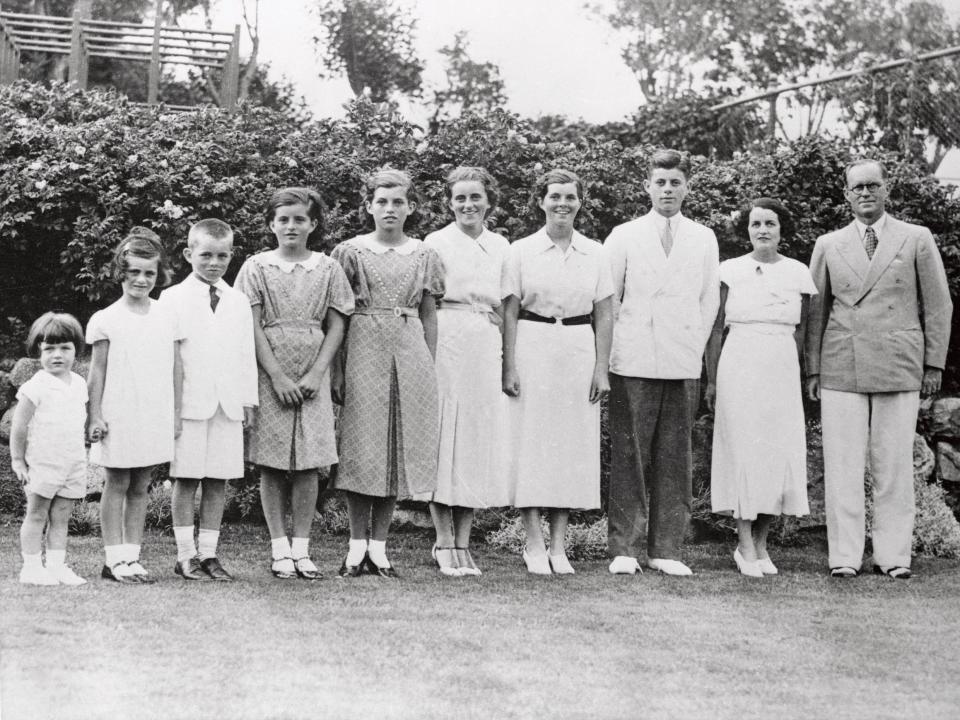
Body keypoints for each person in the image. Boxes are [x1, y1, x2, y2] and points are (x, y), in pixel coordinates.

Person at [806, 159, 952, 580]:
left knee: (893, 466)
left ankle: (893, 556)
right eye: (858, 187)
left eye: (873, 186)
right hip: (842, 364)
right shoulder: (828, 244)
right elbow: (816, 312)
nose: (866, 194)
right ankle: (845, 557)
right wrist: (813, 370)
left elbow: (939, 304)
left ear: (887, 190)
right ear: (846, 194)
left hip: (898, 363)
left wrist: (933, 363)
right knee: (843, 465)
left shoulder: (916, 238)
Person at [604, 149, 720, 576]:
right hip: (633, 359)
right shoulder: (624, 234)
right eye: (660, 182)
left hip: (681, 360)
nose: (667, 190)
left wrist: (692, 347)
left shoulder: (703, 237)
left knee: (675, 457)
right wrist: (621, 346)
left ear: (687, 187)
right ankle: (624, 548)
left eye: (675, 183)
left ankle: (666, 550)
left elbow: (709, 300)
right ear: (647, 187)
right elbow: (609, 300)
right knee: (630, 455)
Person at [234, 188, 353, 581]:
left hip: (312, 369)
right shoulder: (255, 267)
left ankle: (302, 548)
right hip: (272, 369)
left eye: (299, 219)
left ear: (313, 224)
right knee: (271, 465)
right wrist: (277, 375)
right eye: (283, 219)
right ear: (271, 224)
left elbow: (337, 322)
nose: (291, 226)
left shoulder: (328, 268)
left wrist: (319, 372)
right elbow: (248, 324)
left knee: (308, 465)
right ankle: (279, 549)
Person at [331, 168, 444, 579]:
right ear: (369, 206)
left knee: (397, 447)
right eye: (382, 201)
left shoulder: (424, 254)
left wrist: (426, 364)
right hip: (363, 346)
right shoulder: (350, 252)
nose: (390, 209)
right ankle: (355, 544)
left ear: (410, 207)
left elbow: (430, 313)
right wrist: (337, 369)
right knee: (362, 446)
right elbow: (338, 314)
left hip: (409, 350)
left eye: (398, 202)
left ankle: (379, 548)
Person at [501, 168, 614, 575]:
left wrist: (601, 368)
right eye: (554, 196)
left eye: (570, 196)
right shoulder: (520, 250)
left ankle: (559, 547)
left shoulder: (597, 253)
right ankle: (533, 542)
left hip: (578, 349)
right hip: (533, 344)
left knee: (570, 446)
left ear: (580, 202)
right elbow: (510, 310)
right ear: (541, 201)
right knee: (532, 443)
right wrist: (509, 364)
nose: (562, 203)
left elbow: (604, 312)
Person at [705, 198, 816, 577]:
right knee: (744, 452)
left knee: (776, 453)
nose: (763, 230)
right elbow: (716, 328)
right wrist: (712, 379)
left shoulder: (799, 272)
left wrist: (799, 374)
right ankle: (744, 544)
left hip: (781, 367)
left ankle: (763, 544)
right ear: (747, 229)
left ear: (782, 229)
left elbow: (803, 332)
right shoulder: (729, 270)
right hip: (739, 365)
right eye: (756, 224)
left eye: (770, 223)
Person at [420, 166, 510, 577]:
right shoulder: (435, 242)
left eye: (475, 197)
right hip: (447, 337)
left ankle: (463, 542)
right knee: (445, 435)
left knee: (474, 437)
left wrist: (508, 360)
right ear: (450, 202)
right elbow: (426, 302)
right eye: (460, 198)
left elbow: (508, 306)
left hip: (484, 342)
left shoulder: (501, 245)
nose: (468, 205)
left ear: (488, 201)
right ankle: (442, 541)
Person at [159, 219, 257, 581]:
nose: (214, 263)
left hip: (227, 404)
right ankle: (186, 555)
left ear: (231, 255)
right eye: (205, 255)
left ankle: (210, 554)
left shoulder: (238, 300)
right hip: (189, 404)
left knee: (218, 480)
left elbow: (246, 353)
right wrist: (171, 406)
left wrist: (247, 401)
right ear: (188, 254)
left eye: (221, 256)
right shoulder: (171, 299)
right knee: (186, 479)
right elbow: (168, 357)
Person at [87, 228, 182, 583]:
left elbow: (176, 368)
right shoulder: (105, 318)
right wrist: (94, 414)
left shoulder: (166, 315)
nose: (141, 279)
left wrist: (174, 413)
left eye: (149, 273)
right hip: (118, 411)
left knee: (141, 485)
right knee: (117, 482)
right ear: (120, 273)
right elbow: (97, 373)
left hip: (153, 411)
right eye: (134, 272)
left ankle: (132, 556)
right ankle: (113, 560)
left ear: (159, 276)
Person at [10, 313, 89, 586]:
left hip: (73, 462)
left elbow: (80, 418)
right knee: (37, 513)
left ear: (76, 350)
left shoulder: (79, 384)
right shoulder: (35, 387)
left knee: (61, 516)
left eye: (65, 348)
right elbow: (19, 427)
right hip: (43, 462)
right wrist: (18, 461)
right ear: (37, 352)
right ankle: (31, 567)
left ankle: (56, 566)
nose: (58, 355)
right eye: (49, 349)